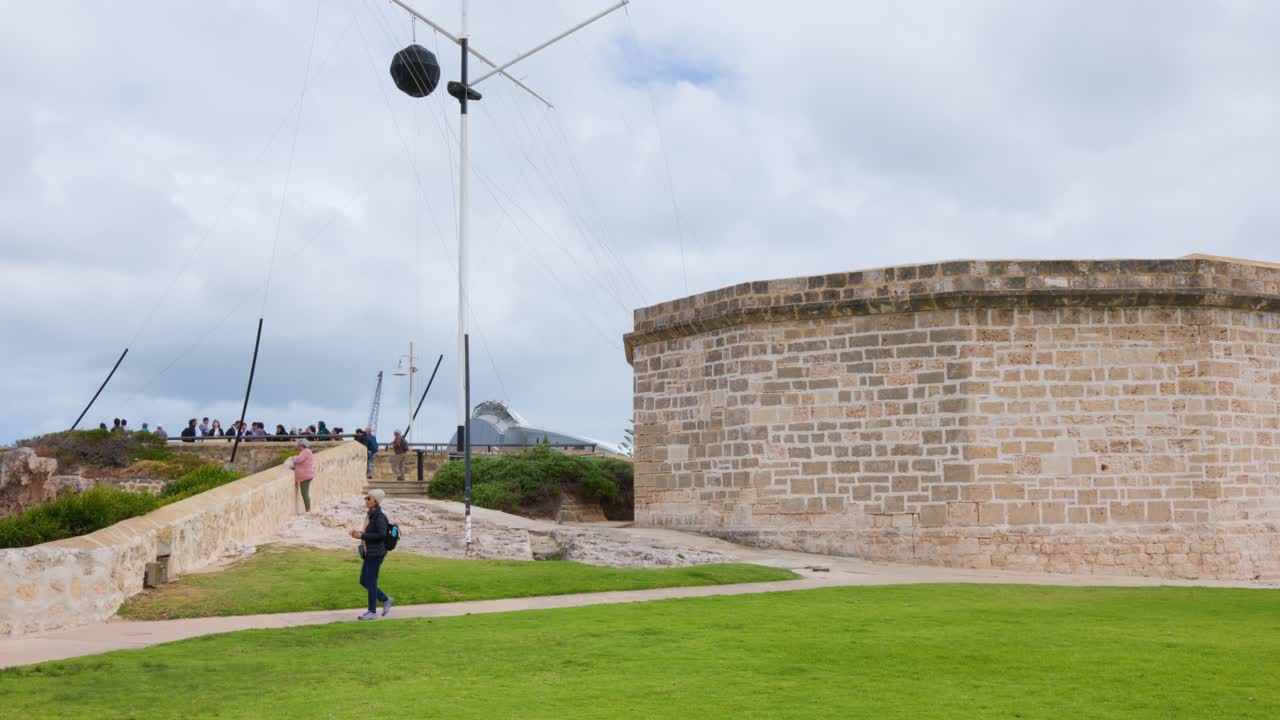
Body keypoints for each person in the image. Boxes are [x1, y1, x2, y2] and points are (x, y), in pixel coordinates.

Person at [349, 489, 393, 620]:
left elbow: (381, 534)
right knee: (364, 580)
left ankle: (372, 612)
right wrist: (359, 534)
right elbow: (370, 532)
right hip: (369, 552)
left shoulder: (379, 516)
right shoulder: (371, 514)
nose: (366, 500)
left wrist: (362, 535)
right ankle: (385, 599)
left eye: (369, 498)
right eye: (366, 498)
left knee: (371, 581)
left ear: (375, 501)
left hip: (376, 553)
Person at [287, 438, 316, 512]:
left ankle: (308, 510)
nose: (298, 447)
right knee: (305, 493)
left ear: (301, 445)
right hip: (308, 475)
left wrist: (293, 457)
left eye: (298, 445)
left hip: (305, 476)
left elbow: (298, 459)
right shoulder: (308, 451)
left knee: (305, 494)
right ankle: (308, 509)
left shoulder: (305, 451)